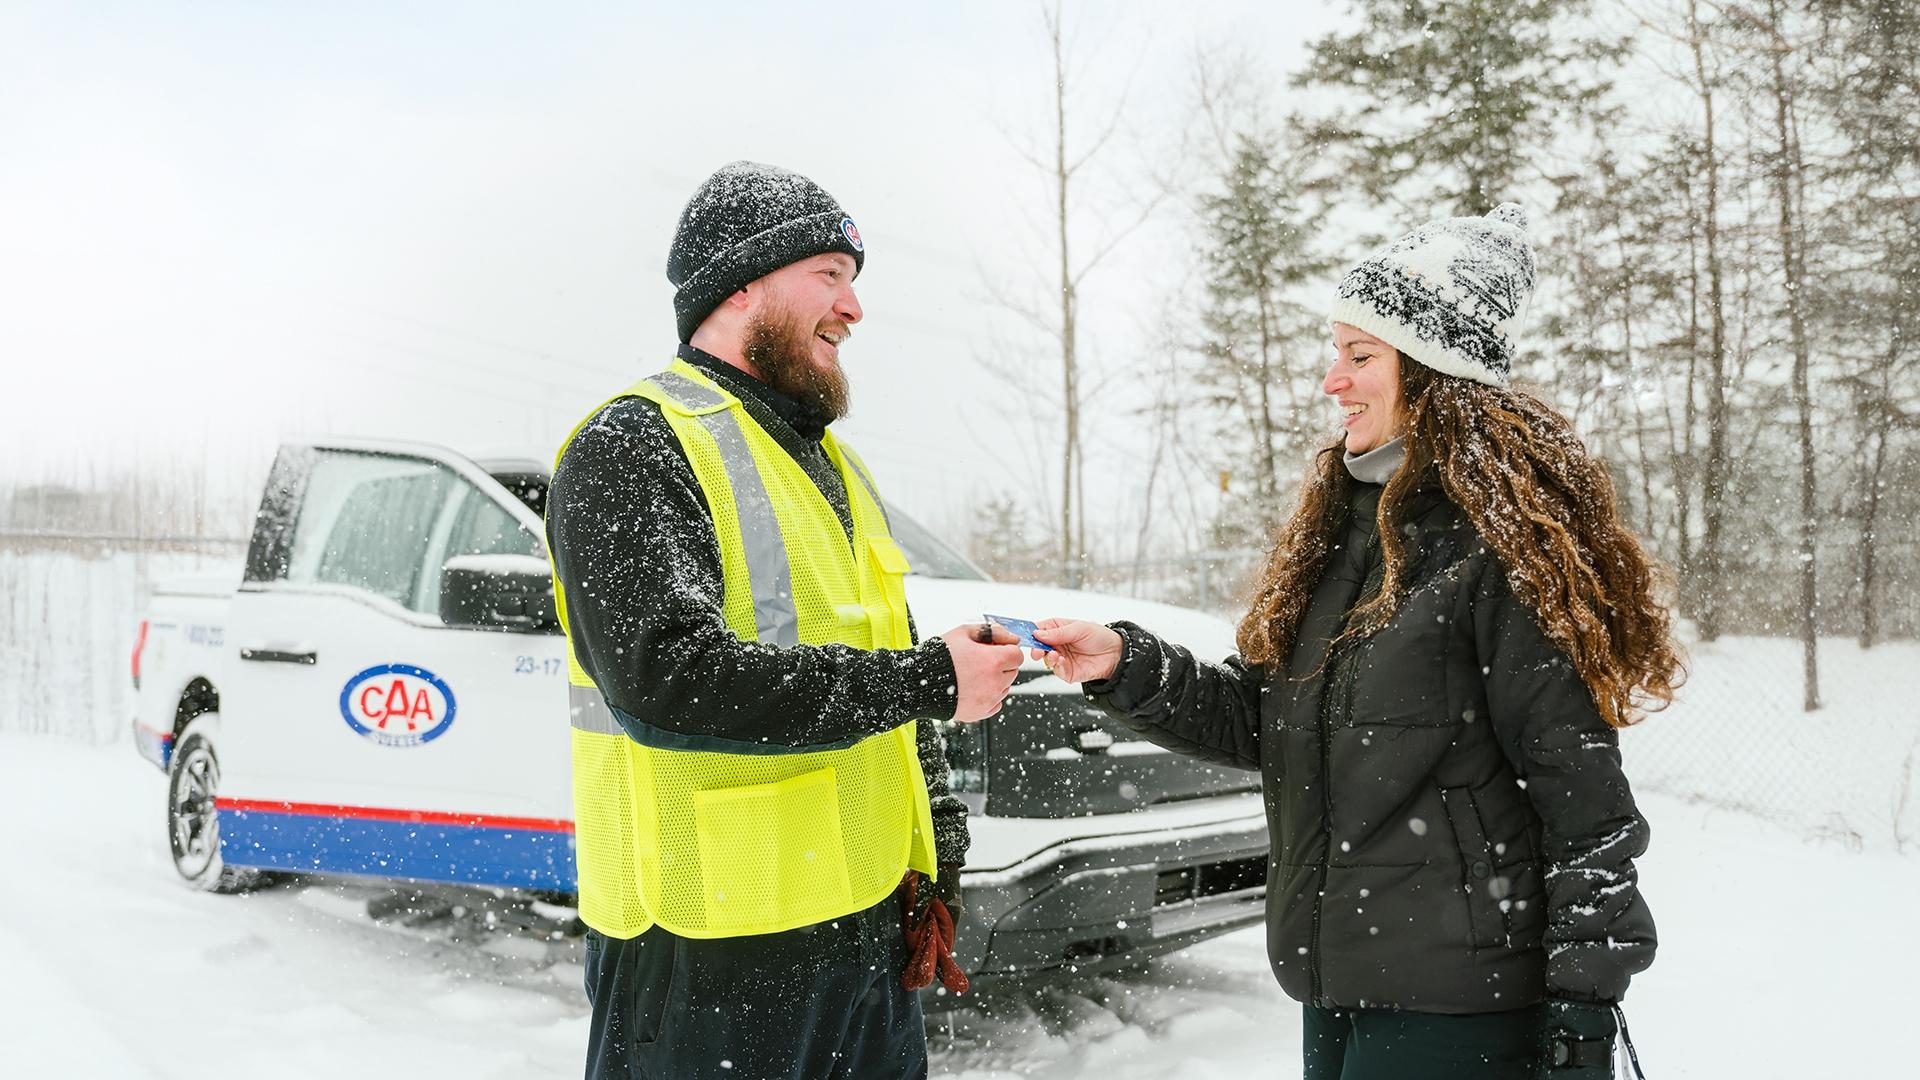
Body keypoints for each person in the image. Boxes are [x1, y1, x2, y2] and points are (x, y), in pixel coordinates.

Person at [1034, 204, 1681, 1080]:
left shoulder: (1498, 551)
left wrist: (1580, 1010)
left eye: (1360, 356)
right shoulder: (1348, 534)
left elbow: (1585, 805)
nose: (1331, 381)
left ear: (1434, 372)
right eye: (1335, 352)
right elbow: (1270, 724)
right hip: (1340, 982)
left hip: (1459, 1004)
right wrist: (1126, 664)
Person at [546, 161, 1023, 1080]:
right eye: (830, 275)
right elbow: (666, 678)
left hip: (866, 935)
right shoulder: (634, 444)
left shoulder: (838, 470)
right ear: (742, 283)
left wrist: (937, 857)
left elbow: (893, 691)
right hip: (708, 951)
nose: (852, 309)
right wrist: (928, 679)